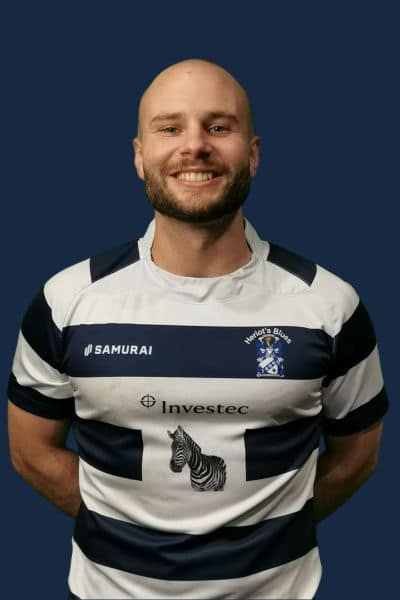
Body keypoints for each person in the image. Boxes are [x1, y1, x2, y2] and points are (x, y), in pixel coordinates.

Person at [7, 58, 388, 600]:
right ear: (139, 156)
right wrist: (127, 534)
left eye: (218, 127)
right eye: (169, 128)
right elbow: (30, 451)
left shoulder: (330, 306)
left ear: (252, 154)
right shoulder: (66, 302)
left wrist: (267, 536)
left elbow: (357, 456)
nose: (194, 146)